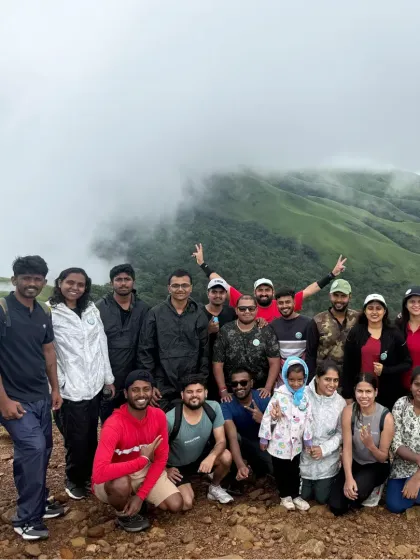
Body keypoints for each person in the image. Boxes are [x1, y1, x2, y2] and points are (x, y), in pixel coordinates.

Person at [0, 256, 65, 541]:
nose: (32, 283)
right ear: (14, 279)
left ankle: (38, 500)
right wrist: (3, 401)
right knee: (35, 449)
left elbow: (48, 351)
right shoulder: (3, 309)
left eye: (38, 279)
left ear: (44, 282)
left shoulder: (42, 312)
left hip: (40, 396)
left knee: (42, 450)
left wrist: (55, 389)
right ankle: (26, 518)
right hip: (13, 398)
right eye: (26, 277)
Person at [49, 267, 115, 500]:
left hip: (94, 384)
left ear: (86, 287)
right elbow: (48, 353)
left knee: (90, 434)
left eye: (80, 284)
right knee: (75, 438)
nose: (75, 288)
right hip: (70, 388)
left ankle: (89, 475)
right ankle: (74, 479)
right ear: (60, 283)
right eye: (70, 283)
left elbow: (101, 343)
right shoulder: (51, 313)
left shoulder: (90, 309)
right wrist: (58, 385)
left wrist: (107, 378)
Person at [92, 370, 183, 532]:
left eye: (146, 389)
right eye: (135, 390)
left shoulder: (159, 416)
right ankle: (123, 514)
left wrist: (140, 497)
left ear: (152, 391)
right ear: (126, 394)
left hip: (142, 470)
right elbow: (99, 473)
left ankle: (137, 497)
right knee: (121, 484)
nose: (141, 394)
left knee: (176, 504)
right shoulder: (113, 424)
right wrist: (141, 461)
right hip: (114, 476)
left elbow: (161, 459)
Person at [192, 243, 347, 323]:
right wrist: (202, 264)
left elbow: (310, 290)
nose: (264, 293)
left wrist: (332, 274)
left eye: (267, 290)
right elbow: (222, 283)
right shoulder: (246, 305)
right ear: (254, 293)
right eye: (260, 290)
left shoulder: (282, 305)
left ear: (273, 292)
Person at [137, 269, 209, 412]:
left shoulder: (199, 314)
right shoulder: (155, 314)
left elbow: (204, 352)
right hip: (161, 382)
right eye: (176, 286)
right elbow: (145, 351)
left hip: (191, 381)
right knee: (164, 425)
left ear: (191, 288)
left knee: (190, 422)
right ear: (169, 288)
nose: (180, 289)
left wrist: (201, 382)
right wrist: (149, 384)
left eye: (185, 285)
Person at [329, 373, 394, 516]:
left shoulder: (386, 417)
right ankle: (356, 482)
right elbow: (347, 448)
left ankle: (375, 486)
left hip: (376, 464)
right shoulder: (348, 412)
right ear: (354, 391)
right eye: (360, 391)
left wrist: (370, 445)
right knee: (336, 506)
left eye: (368, 391)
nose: (364, 396)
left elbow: (383, 458)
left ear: (376, 392)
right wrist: (348, 478)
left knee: (355, 498)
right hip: (356, 461)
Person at [166, 376, 233, 509]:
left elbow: (221, 441)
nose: (194, 395)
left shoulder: (213, 407)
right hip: (177, 466)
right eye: (189, 392)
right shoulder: (169, 419)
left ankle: (214, 487)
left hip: (200, 458)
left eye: (199, 391)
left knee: (226, 456)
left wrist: (211, 457)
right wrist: (165, 470)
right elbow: (154, 450)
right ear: (182, 395)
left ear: (206, 393)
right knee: (186, 504)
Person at [96, 264, 150, 423]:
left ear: (133, 281)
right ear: (111, 282)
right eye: (118, 279)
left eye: (127, 279)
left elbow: (149, 344)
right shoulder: (98, 308)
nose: (123, 283)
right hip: (108, 377)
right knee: (110, 422)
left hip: (135, 375)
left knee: (136, 421)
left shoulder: (144, 308)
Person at [259, 357, 313, 511]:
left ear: (305, 378)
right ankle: (285, 496)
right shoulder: (279, 394)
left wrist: (308, 440)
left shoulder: (305, 396)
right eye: (291, 380)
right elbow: (268, 416)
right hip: (279, 441)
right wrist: (264, 437)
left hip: (295, 443)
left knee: (295, 469)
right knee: (281, 470)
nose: (295, 384)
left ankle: (295, 495)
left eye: (299, 380)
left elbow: (309, 418)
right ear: (285, 378)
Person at [342, 294, 412, 410]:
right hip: (361, 393)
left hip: (388, 393)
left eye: (378, 308)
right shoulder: (356, 333)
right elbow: (348, 365)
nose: (374, 312)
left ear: (384, 311)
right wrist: (348, 394)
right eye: (370, 308)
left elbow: (407, 363)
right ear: (364, 311)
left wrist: (386, 370)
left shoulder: (394, 334)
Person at [212, 294, 280, 402]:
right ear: (236, 310)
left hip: (260, 391)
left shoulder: (266, 331)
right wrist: (223, 390)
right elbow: (217, 364)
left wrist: (268, 388)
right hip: (232, 392)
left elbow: (274, 362)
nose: (247, 311)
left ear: (256, 310)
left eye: (251, 308)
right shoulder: (225, 331)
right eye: (242, 309)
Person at [300, 360, 346, 504]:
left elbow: (341, 433)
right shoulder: (302, 395)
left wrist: (323, 449)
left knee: (322, 498)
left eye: (335, 380)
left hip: (327, 460)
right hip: (303, 458)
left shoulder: (340, 403)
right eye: (327, 379)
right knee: (303, 496)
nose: (332, 385)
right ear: (318, 378)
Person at [221, 368, 273, 482]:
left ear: (252, 383)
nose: (239, 387)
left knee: (273, 468)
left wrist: (263, 420)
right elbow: (233, 437)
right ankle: (234, 475)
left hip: (263, 442)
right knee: (235, 438)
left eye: (243, 383)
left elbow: (281, 429)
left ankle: (257, 470)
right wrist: (240, 465)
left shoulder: (263, 398)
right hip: (242, 443)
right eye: (235, 384)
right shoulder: (227, 404)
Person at [306, 279, 359, 379]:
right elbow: (310, 355)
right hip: (323, 378)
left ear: (350, 297)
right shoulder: (317, 321)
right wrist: (311, 381)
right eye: (336, 295)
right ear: (330, 295)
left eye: (343, 296)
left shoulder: (358, 319)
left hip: (349, 378)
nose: (339, 300)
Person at [386, 368, 420, 514]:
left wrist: (417, 479)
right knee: (394, 505)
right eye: (417, 384)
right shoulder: (401, 404)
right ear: (411, 385)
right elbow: (396, 443)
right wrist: (418, 458)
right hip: (402, 467)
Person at [201, 278, 236, 399]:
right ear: (208, 293)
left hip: (226, 367)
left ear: (226, 294)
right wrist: (208, 331)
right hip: (203, 365)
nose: (218, 295)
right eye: (214, 292)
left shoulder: (231, 313)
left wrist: (259, 320)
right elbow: (189, 339)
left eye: (221, 292)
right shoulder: (198, 313)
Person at [270, 288, 312, 368]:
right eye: (281, 303)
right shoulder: (273, 326)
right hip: (280, 377)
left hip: (303, 376)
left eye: (288, 302)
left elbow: (311, 354)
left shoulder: (308, 323)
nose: (284, 306)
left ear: (294, 302)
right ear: (277, 305)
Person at [395, 286, 420, 393]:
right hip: (400, 385)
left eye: (419, 301)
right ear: (406, 304)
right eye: (412, 301)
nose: (416, 305)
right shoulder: (398, 326)